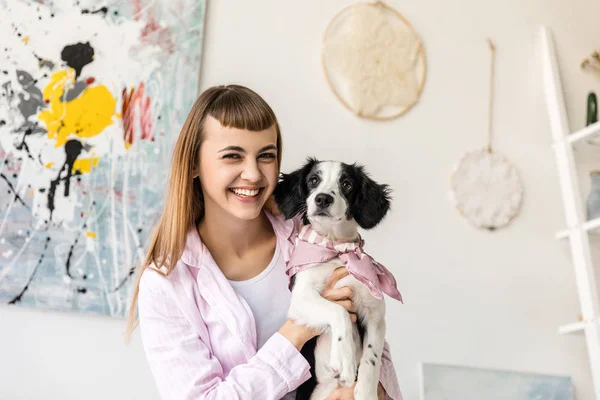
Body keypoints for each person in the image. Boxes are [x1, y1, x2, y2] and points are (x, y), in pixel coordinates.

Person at [125, 84, 402, 400]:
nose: (253, 174)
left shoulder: (313, 237)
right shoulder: (166, 283)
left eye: (266, 156)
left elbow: (371, 345)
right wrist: (296, 333)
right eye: (233, 156)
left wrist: (368, 391)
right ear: (193, 165)